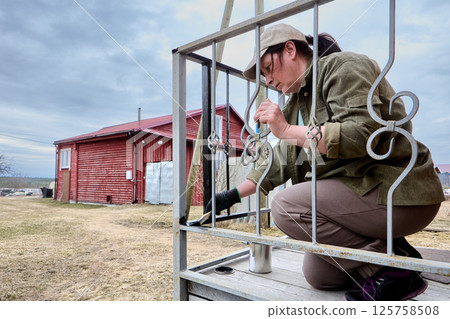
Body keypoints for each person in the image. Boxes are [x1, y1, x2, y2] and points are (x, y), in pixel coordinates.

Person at [206, 23, 445, 301]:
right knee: (320, 275)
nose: (268, 81)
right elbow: (280, 162)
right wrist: (230, 196)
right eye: (263, 76)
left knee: (284, 205)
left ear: (291, 49)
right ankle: (394, 253)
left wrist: (285, 130)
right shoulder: (295, 105)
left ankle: (394, 268)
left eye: (269, 68)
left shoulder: (344, 67)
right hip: (359, 197)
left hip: (395, 191)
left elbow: (361, 134)